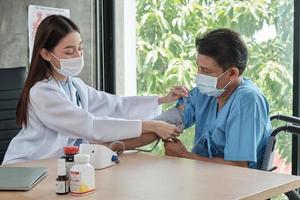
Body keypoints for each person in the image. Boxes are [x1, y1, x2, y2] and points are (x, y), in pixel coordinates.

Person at [2, 15, 188, 164]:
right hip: (28, 165)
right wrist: (152, 125)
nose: (78, 55)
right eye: (69, 51)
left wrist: (163, 99)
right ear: (45, 54)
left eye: (80, 49)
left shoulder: (74, 85)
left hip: (58, 164)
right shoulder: (42, 92)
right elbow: (90, 126)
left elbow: (116, 105)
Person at [163, 28, 272, 169]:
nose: (199, 76)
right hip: (205, 179)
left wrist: (185, 156)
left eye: (206, 71)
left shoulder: (248, 100)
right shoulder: (207, 93)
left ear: (232, 73)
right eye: (199, 68)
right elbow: (168, 120)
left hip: (239, 187)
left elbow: (238, 168)